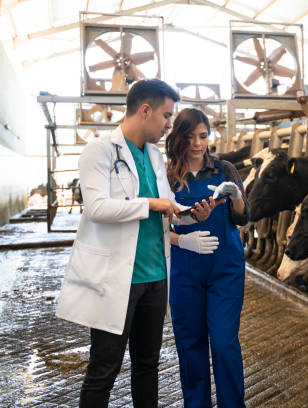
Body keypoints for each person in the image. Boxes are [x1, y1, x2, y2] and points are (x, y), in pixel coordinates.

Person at [56, 79, 220, 408]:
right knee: (105, 367)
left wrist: (191, 216)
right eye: (167, 116)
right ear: (145, 110)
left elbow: (168, 206)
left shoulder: (156, 156)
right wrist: (152, 204)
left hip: (156, 276)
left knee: (147, 365)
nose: (170, 125)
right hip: (117, 278)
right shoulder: (99, 150)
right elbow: (97, 208)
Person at [165, 108, 249, 408]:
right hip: (185, 269)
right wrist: (182, 240)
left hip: (225, 268)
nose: (197, 143)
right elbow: (157, 227)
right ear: (179, 138)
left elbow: (242, 217)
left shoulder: (224, 170)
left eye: (202, 136)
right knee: (191, 345)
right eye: (189, 137)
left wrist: (235, 195)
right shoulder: (167, 174)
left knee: (225, 343)